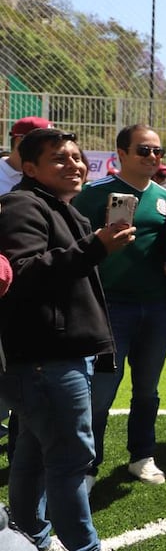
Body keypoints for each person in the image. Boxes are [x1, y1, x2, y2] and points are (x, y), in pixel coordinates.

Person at [0, 127, 142, 551]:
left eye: (78, 157)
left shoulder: (58, 206)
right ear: (29, 167)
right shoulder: (22, 204)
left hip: (50, 355)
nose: (75, 165)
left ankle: (34, 541)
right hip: (46, 357)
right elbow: (22, 273)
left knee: (34, 454)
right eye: (60, 159)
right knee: (68, 457)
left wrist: (94, 244)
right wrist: (95, 246)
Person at [73, 123, 166, 489]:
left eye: (158, 151)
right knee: (102, 391)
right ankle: (90, 465)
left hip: (156, 308)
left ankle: (142, 455)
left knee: (147, 389)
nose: (152, 157)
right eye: (144, 150)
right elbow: (74, 248)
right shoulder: (93, 195)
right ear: (120, 154)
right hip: (107, 307)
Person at [0, 116, 50, 448]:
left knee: (27, 383)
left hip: (33, 291)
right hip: (3, 287)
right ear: (18, 141)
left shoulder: (49, 178)